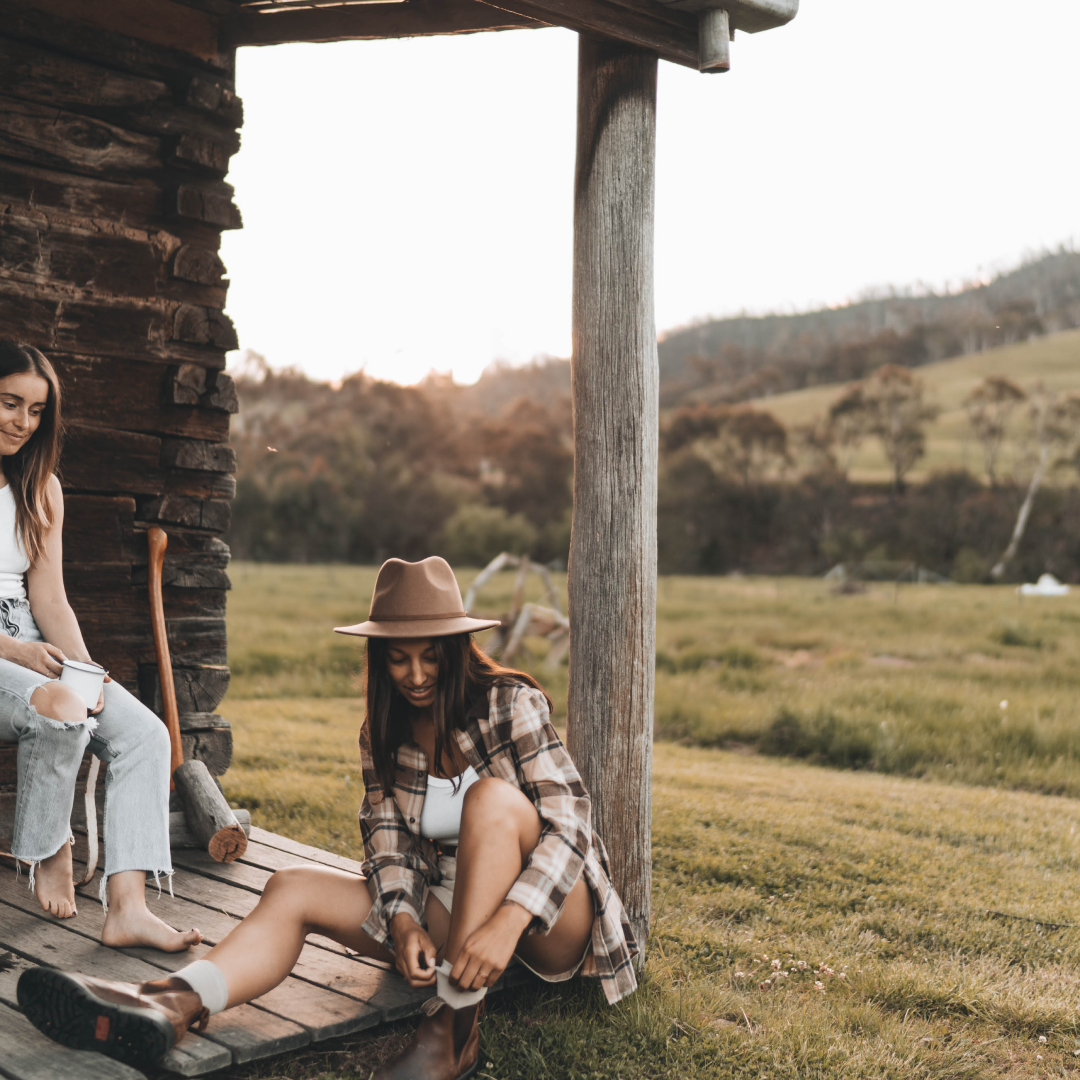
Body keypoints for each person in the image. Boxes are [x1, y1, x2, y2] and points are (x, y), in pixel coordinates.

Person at [18, 556, 639, 1078]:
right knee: (290, 887)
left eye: (431, 657)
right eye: (399, 659)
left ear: (457, 648)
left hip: (547, 918)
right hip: (455, 913)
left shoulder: (510, 704)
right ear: (380, 656)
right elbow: (388, 843)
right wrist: (400, 920)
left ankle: (454, 1028)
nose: (416, 675)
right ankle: (170, 1003)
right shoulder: (385, 732)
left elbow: (571, 823)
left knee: (493, 800)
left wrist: (508, 919)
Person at [0, 341, 200, 952]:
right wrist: (15, 653)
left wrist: (88, 670)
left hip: (32, 647)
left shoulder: (41, 488)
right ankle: (51, 845)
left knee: (146, 734)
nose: (22, 422)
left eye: (36, 411)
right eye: (10, 403)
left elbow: (50, 600)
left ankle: (128, 908)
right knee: (62, 708)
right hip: (8, 658)